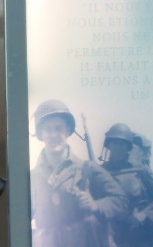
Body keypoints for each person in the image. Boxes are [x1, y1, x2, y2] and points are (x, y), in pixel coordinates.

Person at [30, 100, 127, 247]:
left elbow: (121, 200)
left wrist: (95, 205)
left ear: (68, 131)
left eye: (58, 128)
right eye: (48, 129)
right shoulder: (32, 177)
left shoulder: (87, 169)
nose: (53, 134)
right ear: (41, 133)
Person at [98, 123, 153, 247]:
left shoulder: (141, 170)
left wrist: (144, 215)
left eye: (122, 144)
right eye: (115, 143)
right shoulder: (100, 172)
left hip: (138, 234)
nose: (118, 147)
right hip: (110, 234)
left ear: (128, 147)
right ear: (109, 145)